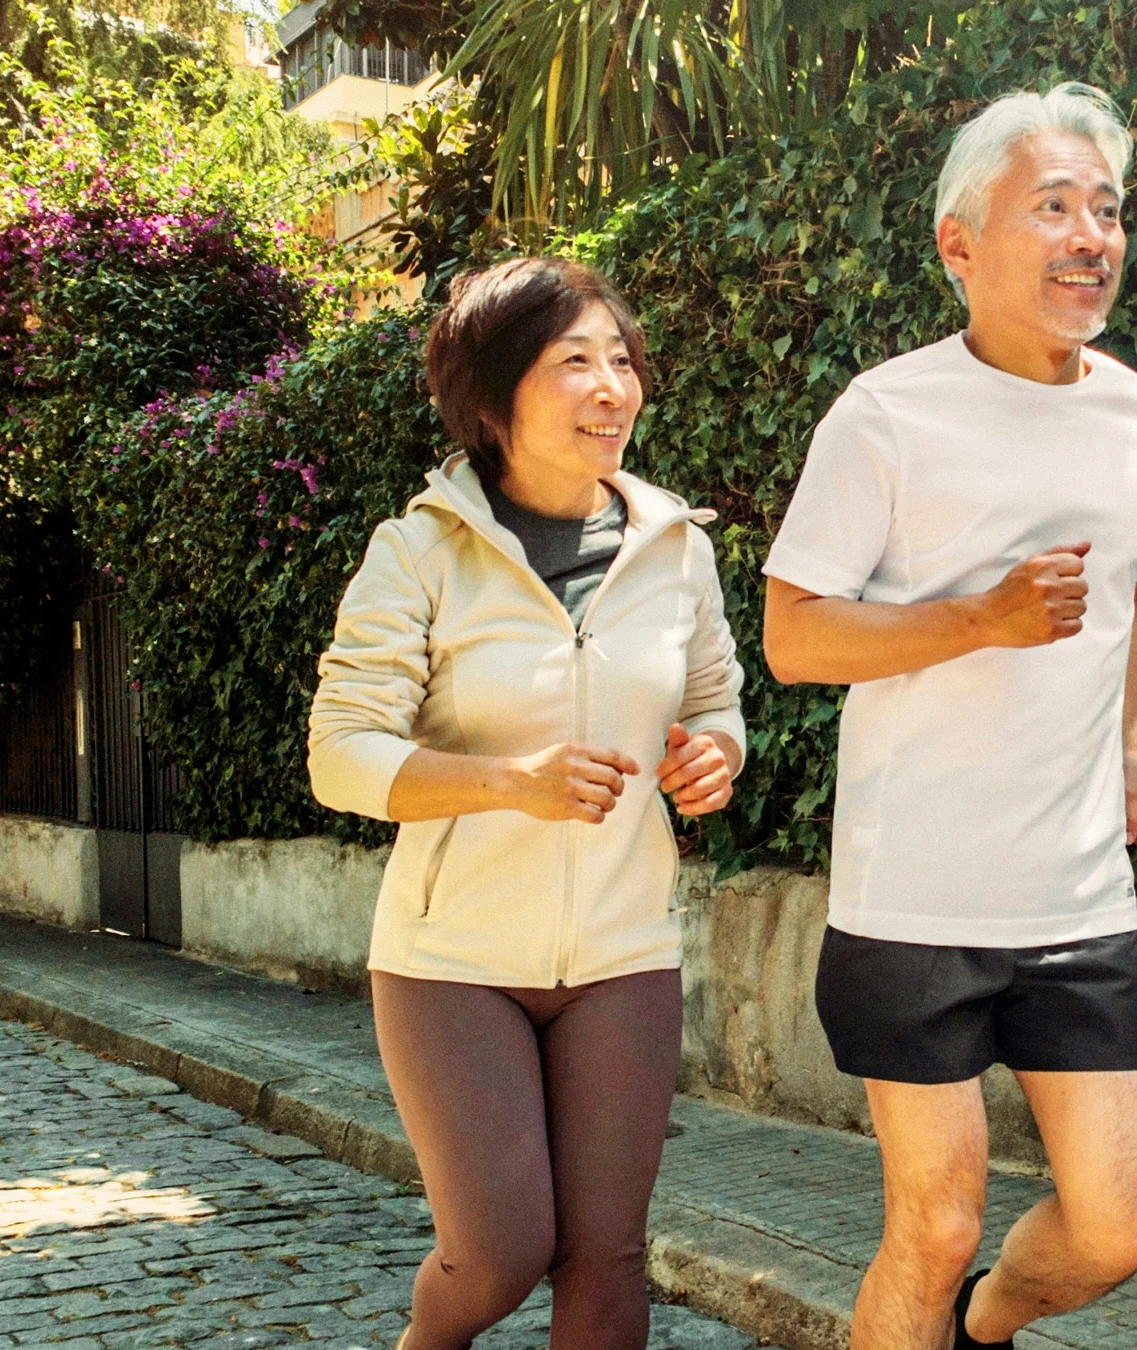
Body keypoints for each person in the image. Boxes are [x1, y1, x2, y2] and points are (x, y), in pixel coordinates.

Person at [761, 82, 1137, 1350]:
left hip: (1076, 903)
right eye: (1051, 206)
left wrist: (1135, 740)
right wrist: (981, 620)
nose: (1089, 236)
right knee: (935, 1223)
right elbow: (794, 637)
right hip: (914, 902)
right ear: (959, 243)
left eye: (1106, 211)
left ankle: (982, 1331)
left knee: (1124, 1221)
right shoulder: (886, 413)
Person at [307, 257, 747, 1350]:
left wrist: (715, 761)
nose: (615, 387)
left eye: (623, 361)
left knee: (606, 1258)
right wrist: (509, 785)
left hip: (623, 953)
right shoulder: (419, 552)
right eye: (575, 363)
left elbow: (715, 704)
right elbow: (341, 753)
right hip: (451, 960)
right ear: (495, 398)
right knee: (499, 1252)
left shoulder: (677, 551)